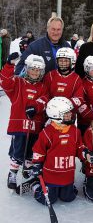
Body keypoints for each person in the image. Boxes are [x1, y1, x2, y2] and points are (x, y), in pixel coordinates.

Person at [31, 97, 93, 205]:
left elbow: (79, 147)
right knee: (49, 200)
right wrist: (37, 165)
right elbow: (39, 151)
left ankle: (65, 188)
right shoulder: (47, 133)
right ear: (56, 115)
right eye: (66, 114)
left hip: (67, 175)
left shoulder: (75, 131)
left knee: (69, 198)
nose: (70, 115)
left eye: (70, 113)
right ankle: (35, 185)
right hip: (51, 176)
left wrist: (86, 154)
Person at [0, 53, 49, 189]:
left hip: (35, 126)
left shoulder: (43, 87)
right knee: (18, 151)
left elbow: (45, 100)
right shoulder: (18, 83)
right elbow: (5, 81)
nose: (34, 72)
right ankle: (13, 172)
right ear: (27, 69)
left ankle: (28, 168)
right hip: (19, 126)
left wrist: (36, 106)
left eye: (38, 70)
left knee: (32, 150)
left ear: (42, 71)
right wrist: (9, 65)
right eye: (32, 69)